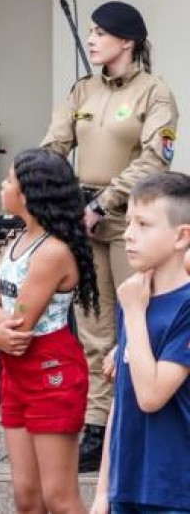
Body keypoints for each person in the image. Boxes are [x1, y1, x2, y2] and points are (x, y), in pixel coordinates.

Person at [42, 0, 179, 471]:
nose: (92, 39)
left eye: (101, 33)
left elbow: (155, 159)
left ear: (128, 41)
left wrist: (103, 203)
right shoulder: (82, 90)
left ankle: (140, 422)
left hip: (131, 220)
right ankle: (98, 426)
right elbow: (54, 145)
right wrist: (46, 187)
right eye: (92, 32)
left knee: (139, 322)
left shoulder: (155, 93)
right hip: (83, 218)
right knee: (93, 329)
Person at [0, 148, 98, 514]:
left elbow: (18, 326)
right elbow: (3, 326)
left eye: (9, 180)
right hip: (15, 372)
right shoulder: (15, 240)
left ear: (30, 192)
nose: (3, 185)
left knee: (59, 499)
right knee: (26, 497)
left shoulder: (52, 252)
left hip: (51, 370)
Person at [90, 172, 190, 514]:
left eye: (144, 224)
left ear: (182, 237)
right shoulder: (134, 296)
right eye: (129, 221)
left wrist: (134, 313)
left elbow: (150, 396)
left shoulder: (160, 305)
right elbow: (122, 399)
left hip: (175, 491)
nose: (129, 234)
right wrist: (103, 491)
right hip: (127, 485)